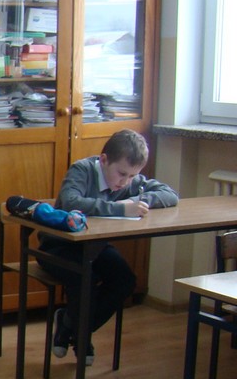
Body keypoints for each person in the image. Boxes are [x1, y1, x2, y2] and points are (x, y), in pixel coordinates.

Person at [40, 129, 178, 365]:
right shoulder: (82, 170)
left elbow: (170, 194)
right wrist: (121, 208)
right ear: (104, 160)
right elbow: (71, 202)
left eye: (133, 176)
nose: (125, 182)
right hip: (58, 245)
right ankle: (82, 337)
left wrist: (138, 201)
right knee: (85, 277)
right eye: (122, 174)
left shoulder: (128, 181)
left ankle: (70, 324)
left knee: (125, 280)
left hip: (94, 246)